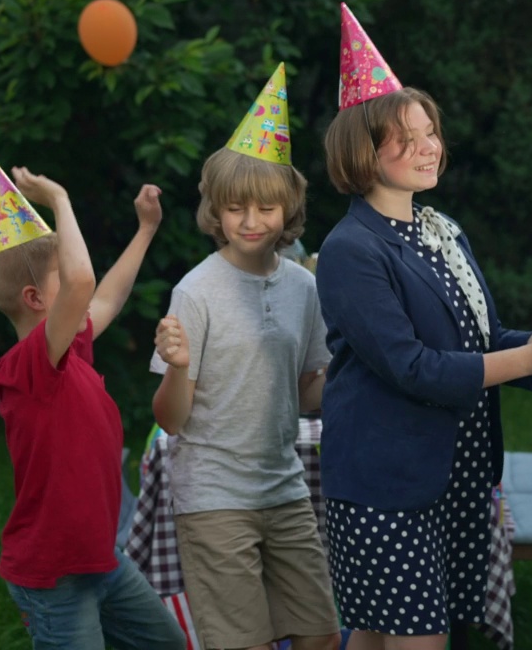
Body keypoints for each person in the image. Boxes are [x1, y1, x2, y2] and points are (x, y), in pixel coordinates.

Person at [315, 3, 532, 650]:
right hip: (387, 484)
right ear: (362, 150)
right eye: (405, 138)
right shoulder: (351, 250)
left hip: (455, 473)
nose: (427, 148)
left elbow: (480, 339)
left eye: (431, 132)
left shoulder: (439, 231)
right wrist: (527, 363)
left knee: (373, 634)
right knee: (413, 638)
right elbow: (412, 367)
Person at [150, 64, 342, 650]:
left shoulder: (304, 288)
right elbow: (170, 419)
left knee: (321, 634)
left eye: (265, 208)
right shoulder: (195, 291)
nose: (251, 222)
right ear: (216, 211)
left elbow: (308, 393)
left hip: (283, 487)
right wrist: (180, 366)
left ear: (288, 209)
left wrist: (354, 372)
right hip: (212, 495)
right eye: (236, 209)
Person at [0, 151, 184, 650]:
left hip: (101, 560)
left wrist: (146, 231)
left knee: (167, 644)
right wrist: (59, 199)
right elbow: (84, 282)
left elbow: (104, 297)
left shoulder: (68, 348)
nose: (75, 291)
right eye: (61, 283)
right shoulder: (28, 367)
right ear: (35, 300)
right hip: (55, 579)